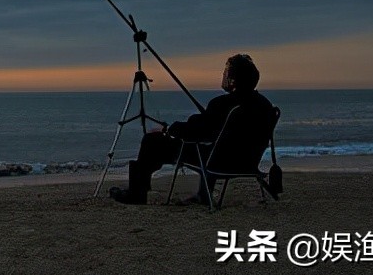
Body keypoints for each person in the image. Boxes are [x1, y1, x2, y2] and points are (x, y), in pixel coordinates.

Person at [109, 53, 274, 205]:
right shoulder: (265, 105)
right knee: (214, 148)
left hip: (219, 161)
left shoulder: (223, 104)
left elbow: (199, 133)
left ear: (232, 80)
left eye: (225, 73)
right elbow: (211, 130)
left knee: (152, 141)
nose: (223, 76)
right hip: (246, 162)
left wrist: (170, 130)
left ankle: (136, 194)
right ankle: (203, 194)